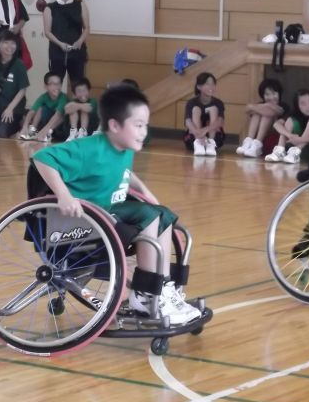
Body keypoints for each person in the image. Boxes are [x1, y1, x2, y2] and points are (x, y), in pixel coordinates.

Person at [31, 85, 202, 324]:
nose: (144, 132)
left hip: (108, 212)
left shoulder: (122, 147)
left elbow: (125, 174)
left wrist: (147, 193)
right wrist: (63, 195)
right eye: (139, 125)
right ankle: (145, 294)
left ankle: (162, 288)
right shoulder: (90, 148)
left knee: (162, 213)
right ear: (114, 126)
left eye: (146, 125)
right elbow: (42, 157)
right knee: (149, 216)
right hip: (83, 221)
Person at [43, 0, 90, 83]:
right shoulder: (49, 8)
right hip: (57, 52)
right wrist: (60, 43)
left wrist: (80, 41)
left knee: (78, 84)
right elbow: (47, 32)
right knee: (55, 84)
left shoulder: (80, 4)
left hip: (77, 51)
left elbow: (87, 28)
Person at [264, 89, 309, 164]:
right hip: (293, 145)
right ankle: (280, 151)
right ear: (297, 105)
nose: (308, 106)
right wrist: (290, 135)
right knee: (289, 120)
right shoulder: (294, 113)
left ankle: (296, 152)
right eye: (303, 104)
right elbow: (276, 124)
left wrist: (300, 139)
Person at [236, 78, 287, 158]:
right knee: (256, 114)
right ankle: (249, 141)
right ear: (262, 95)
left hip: (274, 140)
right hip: (258, 138)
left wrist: (266, 106)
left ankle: (257, 145)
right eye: (267, 94)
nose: (271, 97)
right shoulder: (262, 104)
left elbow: (271, 112)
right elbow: (247, 108)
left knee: (266, 114)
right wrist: (265, 105)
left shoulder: (284, 105)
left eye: (274, 93)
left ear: (279, 93)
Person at [18, 72, 68, 143]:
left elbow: (58, 115)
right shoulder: (44, 96)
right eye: (52, 84)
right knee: (41, 108)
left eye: (58, 83)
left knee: (61, 115)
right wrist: (25, 126)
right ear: (46, 86)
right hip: (48, 124)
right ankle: (33, 130)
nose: (56, 87)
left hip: (62, 128)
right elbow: (32, 111)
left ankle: (47, 133)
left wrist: (45, 129)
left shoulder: (63, 98)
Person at [184, 72, 225, 157]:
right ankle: (198, 144)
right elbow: (187, 121)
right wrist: (198, 133)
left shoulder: (218, 103)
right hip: (194, 137)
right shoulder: (192, 102)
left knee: (213, 109)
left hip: (215, 138)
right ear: (199, 87)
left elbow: (220, 121)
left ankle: (211, 143)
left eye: (213, 84)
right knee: (196, 109)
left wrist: (205, 130)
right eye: (207, 84)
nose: (211, 87)